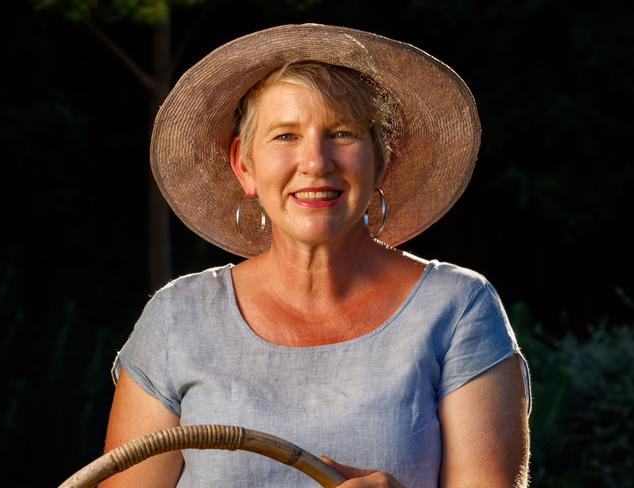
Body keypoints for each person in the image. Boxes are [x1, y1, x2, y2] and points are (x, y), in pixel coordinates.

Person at [100, 24, 531, 487]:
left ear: (381, 159)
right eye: (285, 136)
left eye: (342, 134)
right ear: (244, 164)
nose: (315, 162)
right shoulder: (177, 317)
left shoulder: (458, 309)